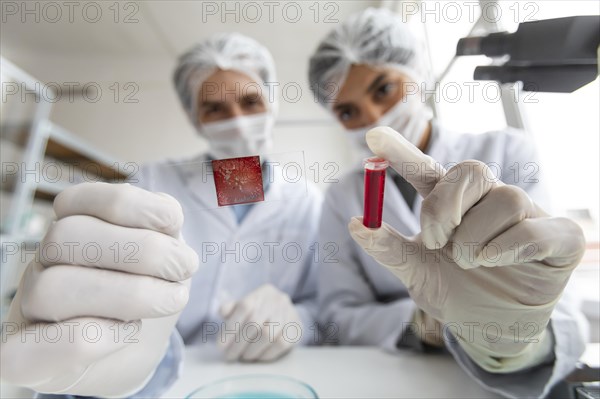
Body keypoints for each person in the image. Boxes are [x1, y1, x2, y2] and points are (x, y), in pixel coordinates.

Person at [1, 32, 322, 398]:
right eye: (214, 108)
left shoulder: (308, 201)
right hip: (161, 380)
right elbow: (105, 289)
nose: (236, 121)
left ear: (272, 103)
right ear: (193, 117)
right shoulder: (153, 182)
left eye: (250, 101)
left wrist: (298, 321)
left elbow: (323, 304)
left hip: (268, 380)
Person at [308, 8, 587, 398]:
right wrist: (427, 322)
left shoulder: (506, 150)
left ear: (416, 73)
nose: (373, 117)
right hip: (397, 380)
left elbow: (561, 303)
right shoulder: (342, 196)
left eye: (383, 89)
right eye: (348, 111)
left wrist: (508, 338)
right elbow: (338, 315)